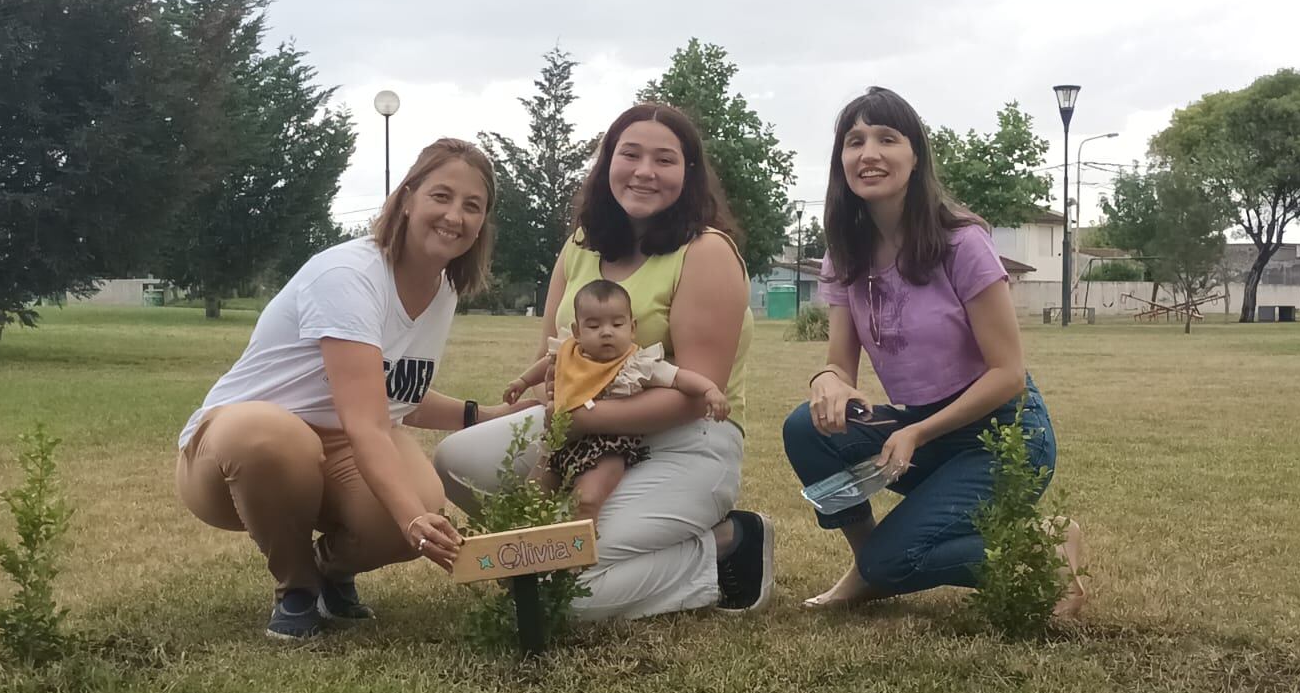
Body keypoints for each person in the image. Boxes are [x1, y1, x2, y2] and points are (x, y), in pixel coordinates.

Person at [174, 138, 532, 640]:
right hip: (231, 451)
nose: (455, 215)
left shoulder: (444, 289)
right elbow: (365, 421)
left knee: (423, 499)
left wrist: (484, 415)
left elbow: (391, 394)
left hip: (341, 442)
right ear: (407, 198)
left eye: (473, 206)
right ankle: (296, 589)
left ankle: (329, 573)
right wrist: (412, 522)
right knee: (274, 438)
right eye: (441, 196)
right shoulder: (349, 274)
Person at [435, 103, 773, 620]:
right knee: (455, 461)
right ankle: (552, 540)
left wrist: (578, 417)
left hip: (687, 441)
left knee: (564, 597)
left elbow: (696, 396)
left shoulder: (706, 252)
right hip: (577, 427)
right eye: (630, 154)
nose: (644, 171)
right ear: (606, 162)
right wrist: (549, 408)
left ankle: (729, 543)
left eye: (665, 160)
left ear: (689, 174)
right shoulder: (580, 246)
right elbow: (552, 357)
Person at [783, 87, 1083, 612]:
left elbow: (1009, 374)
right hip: (919, 432)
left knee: (897, 561)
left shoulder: (961, 244)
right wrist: (825, 380)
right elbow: (839, 364)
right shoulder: (845, 253)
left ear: (915, 155)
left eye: (886, 138)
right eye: (854, 141)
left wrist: (916, 432)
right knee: (806, 428)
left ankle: (1047, 543)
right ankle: (868, 568)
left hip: (1001, 435)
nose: (868, 153)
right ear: (841, 160)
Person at [504, 278, 730, 522]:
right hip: (560, 442)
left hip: (609, 446)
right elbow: (547, 364)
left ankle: (581, 549)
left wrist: (709, 390)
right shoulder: (568, 352)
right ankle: (530, 546)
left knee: (587, 499)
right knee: (531, 496)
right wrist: (522, 381)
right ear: (577, 331)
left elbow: (678, 378)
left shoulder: (636, 364)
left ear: (632, 328)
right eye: (593, 326)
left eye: (617, 323)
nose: (607, 332)